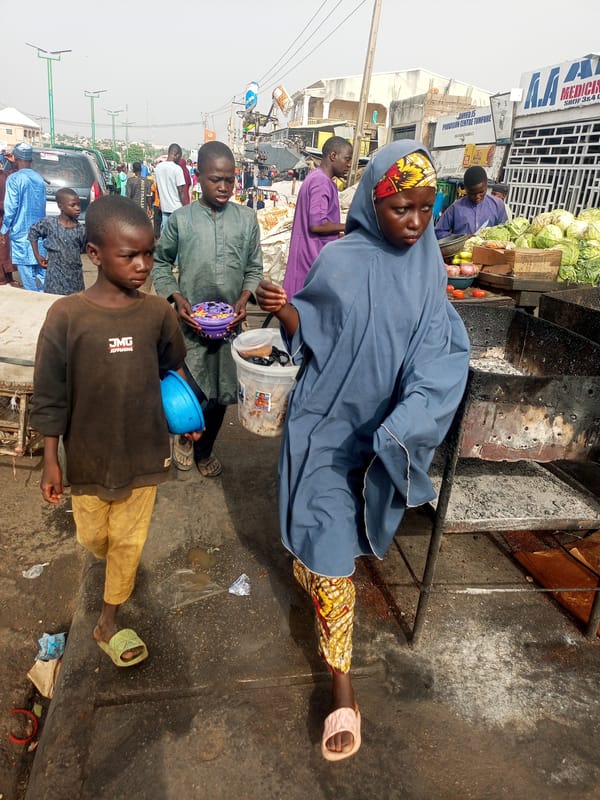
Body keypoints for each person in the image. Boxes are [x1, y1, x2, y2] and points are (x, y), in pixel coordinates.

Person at [255, 141, 470, 761]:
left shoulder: (430, 270)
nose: (416, 223)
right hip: (326, 428)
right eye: (404, 208)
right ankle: (343, 691)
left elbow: (441, 355)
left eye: (428, 210)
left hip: (379, 437)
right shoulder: (342, 259)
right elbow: (314, 334)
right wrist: (287, 312)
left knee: (334, 547)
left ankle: (319, 582)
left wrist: (408, 421)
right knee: (329, 553)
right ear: (376, 200)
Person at [30, 195, 201, 668]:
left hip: (145, 453)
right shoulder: (66, 317)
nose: (144, 265)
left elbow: (172, 369)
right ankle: (111, 574)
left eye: (149, 253)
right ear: (95, 254)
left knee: (127, 542)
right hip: (86, 457)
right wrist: (50, 458)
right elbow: (49, 393)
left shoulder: (157, 315)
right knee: (94, 539)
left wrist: (189, 419)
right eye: (130, 255)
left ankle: (109, 619)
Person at [152, 141, 263, 477]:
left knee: (221, 395)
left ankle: (205, 448)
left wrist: (245, 298)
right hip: (189, 327)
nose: (224, 187)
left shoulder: (246, 220)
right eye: (216, 179)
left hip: (229, 329)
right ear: (198, 176)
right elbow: (160, 263)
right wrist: (177, 298)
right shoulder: (181, 221)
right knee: (192, 389)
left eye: (230, 179)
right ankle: (185, 437)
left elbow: (254, 269)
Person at [282, 136, 352, 298]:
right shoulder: (321, 182)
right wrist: (350, 226)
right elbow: (317, 225)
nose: (349, 165)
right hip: (310, 262)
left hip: (308, 259)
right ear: (333, 156)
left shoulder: (317, 178)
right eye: (347, 159)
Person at [0, 142, 47, 291]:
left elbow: (11, 207)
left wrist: (4, 230)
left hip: (21, 235)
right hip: (39, 235)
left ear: (16, 158)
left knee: (28, 276)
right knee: (41, 270)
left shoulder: (14, 179)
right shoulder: (39, 179)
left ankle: (35, 302)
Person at [28, 187, 87, 295]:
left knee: (74, 307)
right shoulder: (49, 223)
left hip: (75, 282)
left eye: (79, 204)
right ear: (61, 206)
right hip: (53, 281)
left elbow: (83, 249)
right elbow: (33, 232)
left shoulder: (81, 230)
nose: (78, 208)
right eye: (73, 205)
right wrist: (37, 256)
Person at [434, 165, 507, 239]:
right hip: (462, 249)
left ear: (486, 186)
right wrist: (461, 238)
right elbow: (438, 232)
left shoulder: (497, 205)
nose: (477, 197)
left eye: (481, 192)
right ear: (465, 189)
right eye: (472, 193)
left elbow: (505, 231)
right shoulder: (456, 208)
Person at [154, 144, 188, 230]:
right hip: (177, 208)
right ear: (176, 155)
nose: (180, 159)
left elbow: (157, 187)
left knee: (165, 234)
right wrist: (186, 207)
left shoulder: (158, 167)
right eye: (180, 157)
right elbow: (181, 191)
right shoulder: (177, 169)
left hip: (165, 208)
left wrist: (161, 202)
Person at [0, 158, 18, 286]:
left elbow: (17, 174)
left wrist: (13, 163)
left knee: (5, 248)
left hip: (5, 218)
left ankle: (8, 276)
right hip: (3, 213)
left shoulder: (5, 175)